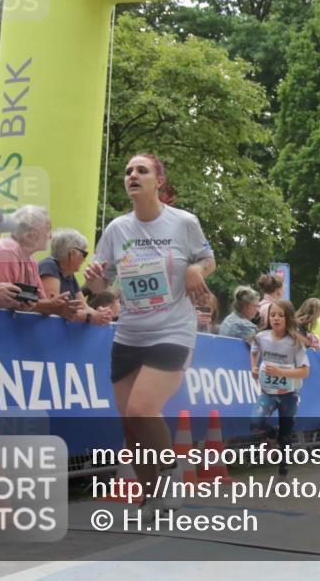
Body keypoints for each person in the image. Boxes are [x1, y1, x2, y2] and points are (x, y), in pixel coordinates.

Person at [84, 153, 215, 511]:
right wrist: (94, 280)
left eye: (141, 170)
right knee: (130, 425)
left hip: (172, 329)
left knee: (143, 409)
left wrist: (196, 270)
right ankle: (152, 496)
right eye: (127, 171)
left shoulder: (183, 223)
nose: (132, 175)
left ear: (159, 180)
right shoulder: (117, 229)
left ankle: (171, 476)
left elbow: (208, 259)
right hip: (129, 333)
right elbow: (104, 288)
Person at [249, 299, 310, 478]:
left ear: (288, 318)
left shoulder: (295, 343)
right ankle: (272, 433)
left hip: (289, 395)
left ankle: (283, 473)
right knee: (255, 423)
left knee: (286, 436)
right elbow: (254, 350)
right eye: (272, 315)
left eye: (280, 315)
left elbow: (305, 371)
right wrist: (253, 366)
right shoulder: (261, 337)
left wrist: (280, 372)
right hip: (268, 392)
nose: (276, 319)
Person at [0, 206, 83, 318]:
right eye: (48, 229)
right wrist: (50, 304)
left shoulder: (30, 260)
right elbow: (3, 300)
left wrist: (57, 306)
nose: (50, 236)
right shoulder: (7, 250)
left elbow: (41, 302)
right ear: (33, 233)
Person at [39, 228, 113, 324]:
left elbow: (84, 307)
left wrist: (101, 314)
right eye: (84, 254)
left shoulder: (69, 275)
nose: (84, 260)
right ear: (72, 254)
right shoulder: (49, 266)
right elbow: (55, 308)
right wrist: (91, 317)